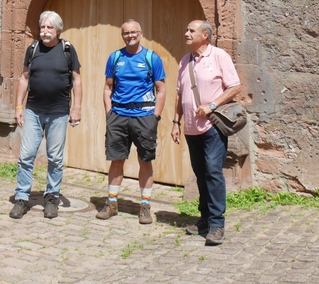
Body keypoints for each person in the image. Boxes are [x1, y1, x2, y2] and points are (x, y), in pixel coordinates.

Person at [171, 20, 242, 246]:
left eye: (191, 30)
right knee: (201, 173)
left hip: (212, 127)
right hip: (191, 130)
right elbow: (179, 95)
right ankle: (204, 218)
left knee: (213, 172)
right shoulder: (185, 61)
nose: (186, 33)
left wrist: (211, 105)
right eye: (186, 29)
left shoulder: (219, 56)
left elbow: (235, 87)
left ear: (205, 35)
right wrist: (175, 122)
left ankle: (217, 224)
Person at [10, 11, 82, 220]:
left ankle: (51, 198)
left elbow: (77, 80)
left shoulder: (67, 50)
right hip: (33, 111)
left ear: (58, 30)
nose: (45, 31)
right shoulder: (33, 49)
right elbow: (24, 78)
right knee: (26, 156)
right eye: (42, 27)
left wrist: (76, 108)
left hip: (59, 112)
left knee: (55, 158)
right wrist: (18, 107)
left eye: (49, 27)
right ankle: (22, 198)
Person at [96, 19, 166, 225]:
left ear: (141, 33)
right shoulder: (115, 57)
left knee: (145, 160)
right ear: (122, 35)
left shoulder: (152, 58)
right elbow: (108, 87)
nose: (130, 36)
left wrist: (156, 116)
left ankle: (145, 206)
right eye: (126, 33)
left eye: (133, 32)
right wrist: (109, 113)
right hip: (119, 115)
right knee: (116, 160)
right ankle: (112, 203)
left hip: (144, 116)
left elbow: (161, 89)